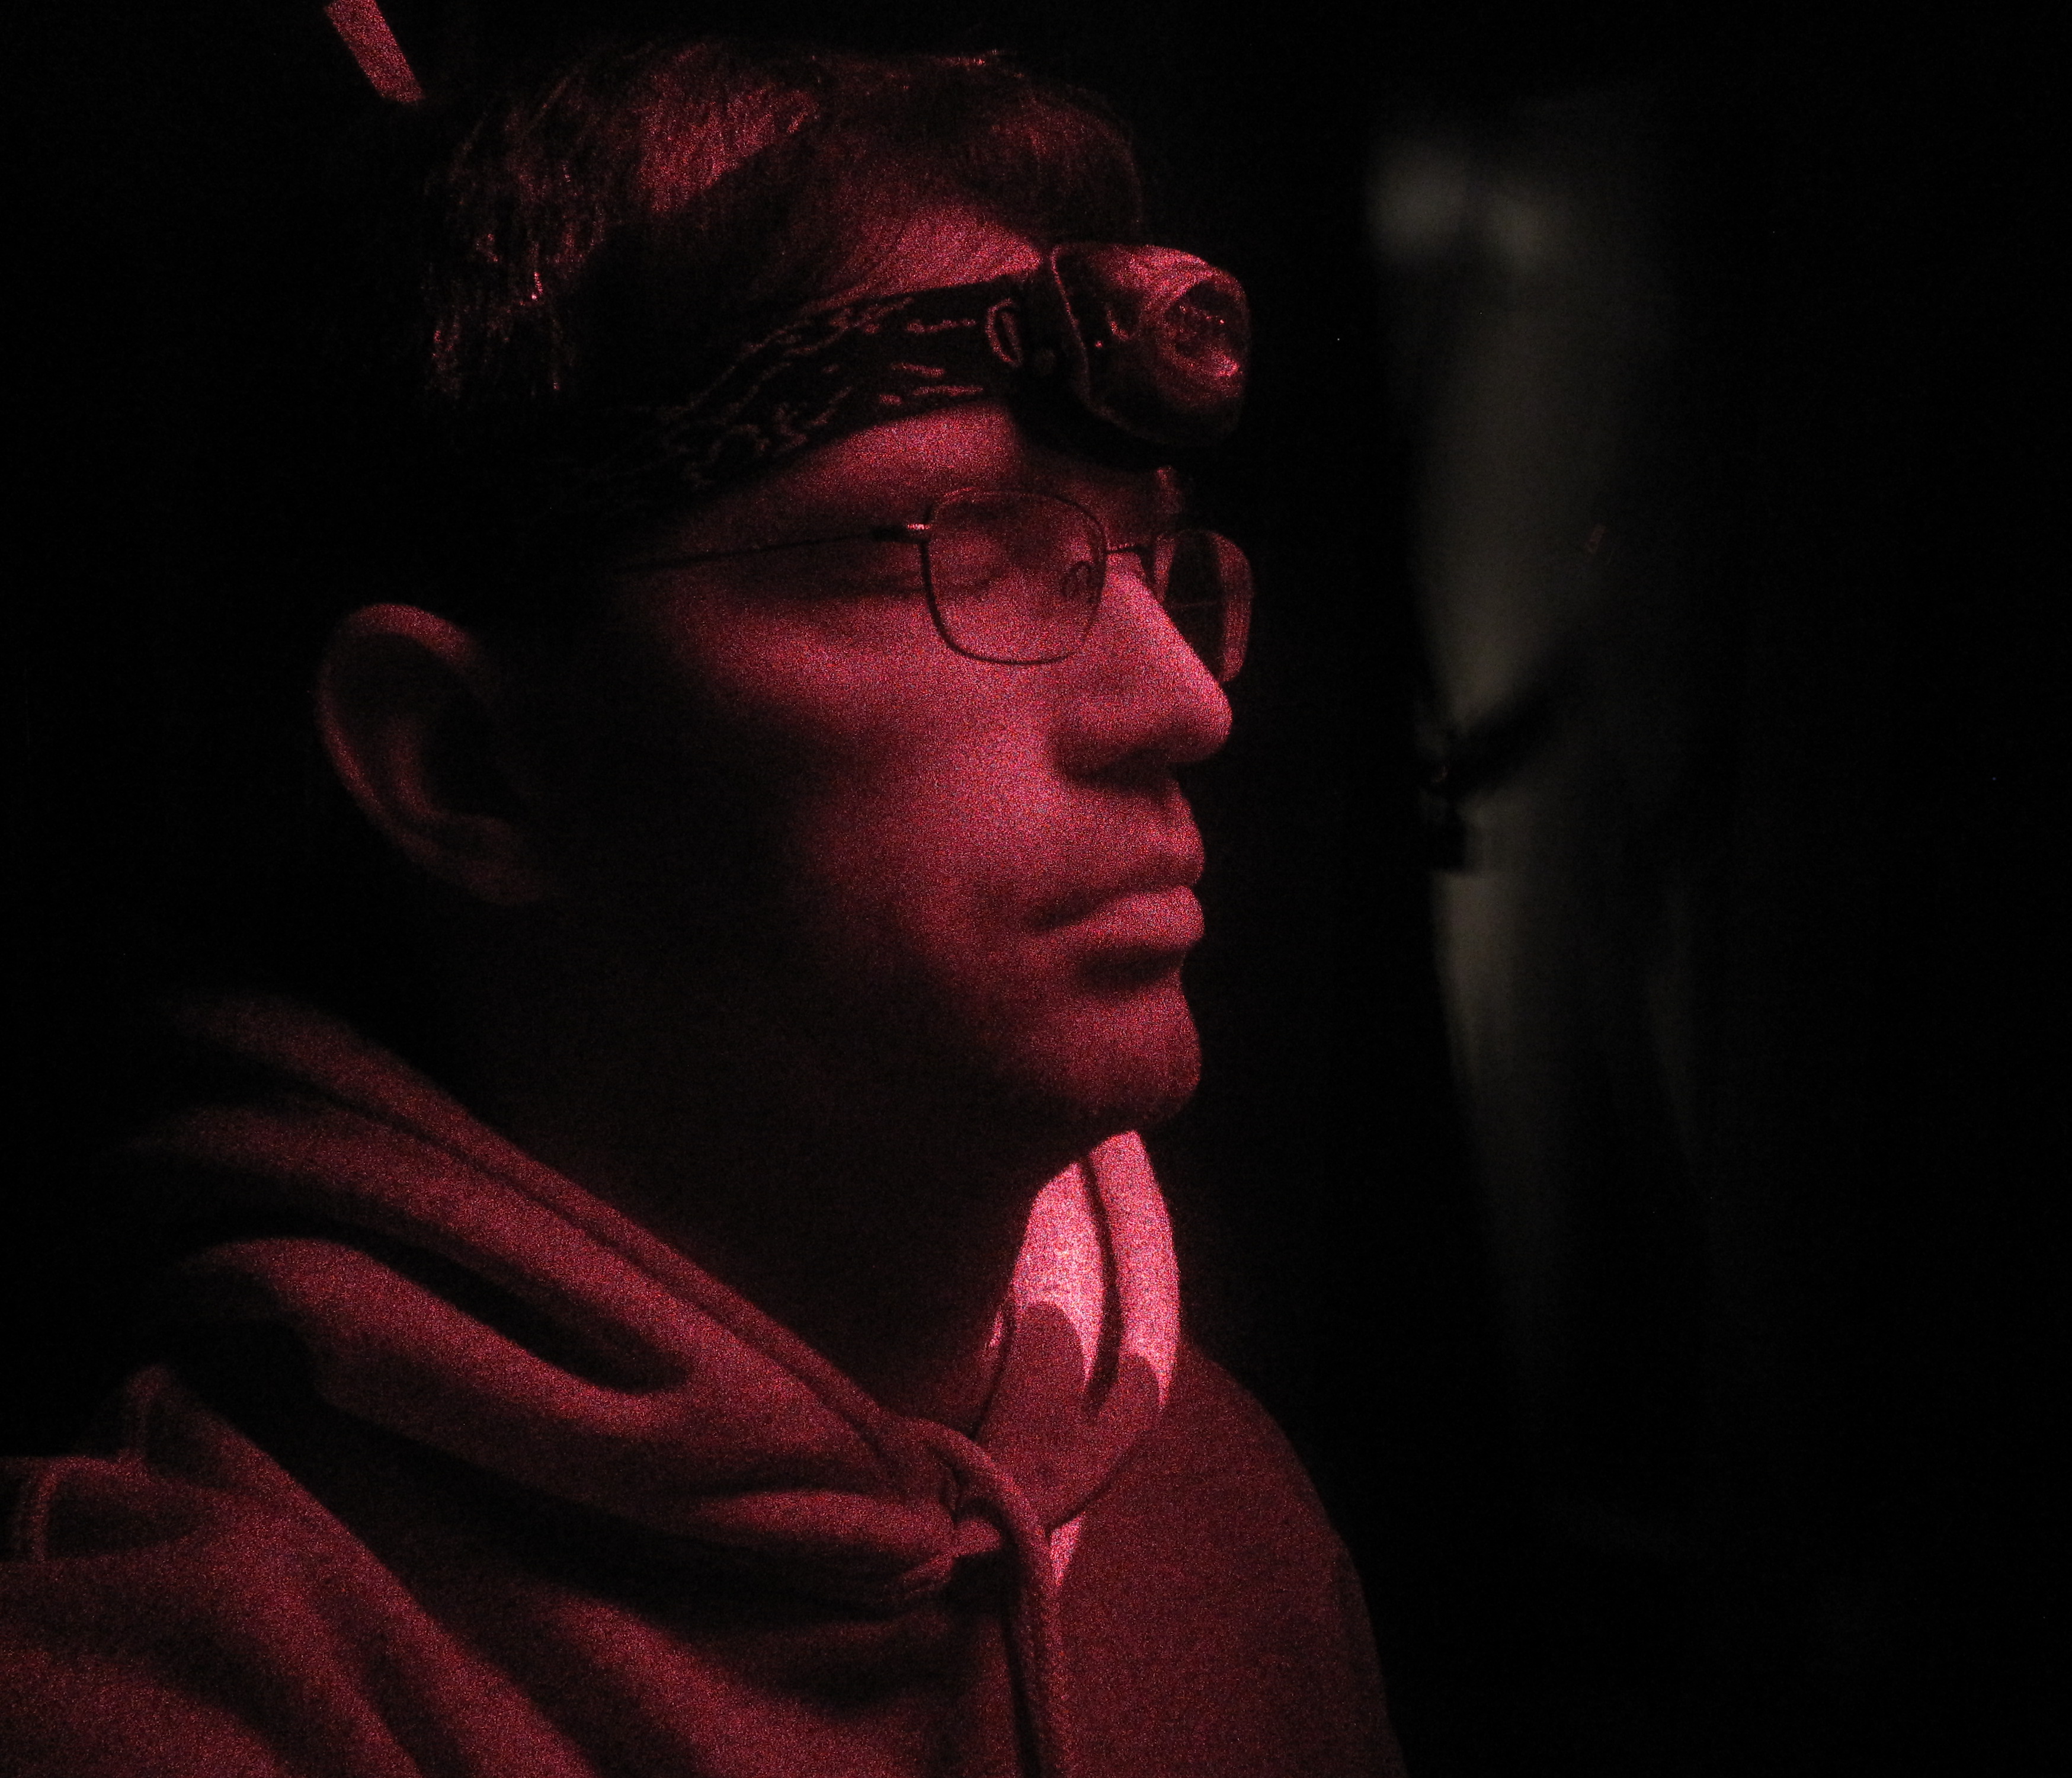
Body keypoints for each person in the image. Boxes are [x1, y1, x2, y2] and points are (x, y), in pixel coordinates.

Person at [1, 28, 1403, 1778]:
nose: (1187, 703)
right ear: (463, 765)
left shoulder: (1224, 1518)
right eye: (950, 551)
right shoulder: (168, 1690)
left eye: (1153, 571)